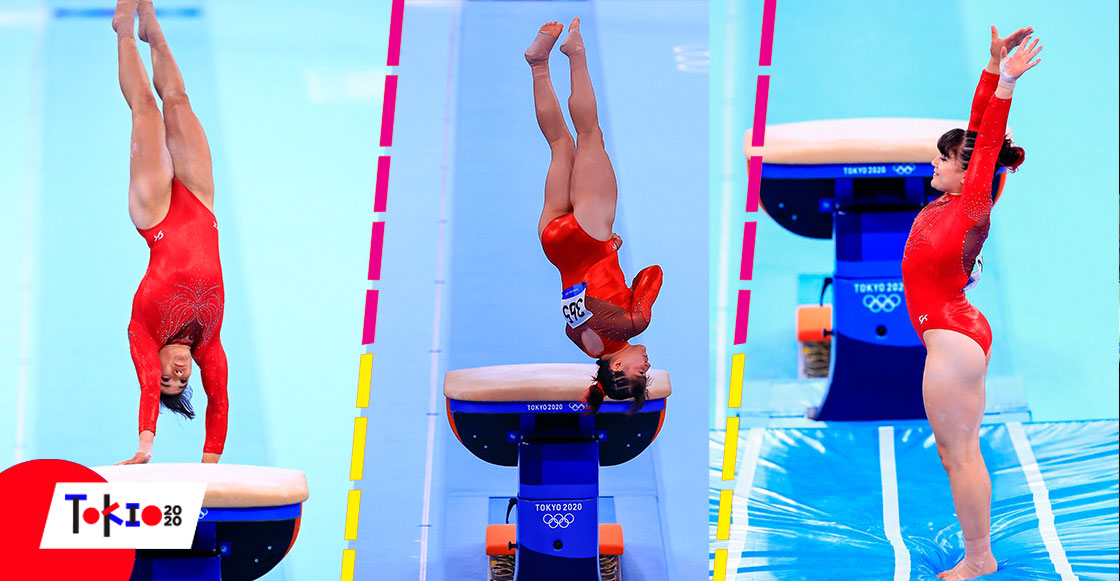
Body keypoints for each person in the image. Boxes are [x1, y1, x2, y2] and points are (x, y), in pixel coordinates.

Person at [901, 25, 1041, 581]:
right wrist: (990, 70)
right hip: (953, 329)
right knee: (953, 453)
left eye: (943, 160)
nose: (934, 165)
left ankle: (979, 558)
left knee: (959, 456)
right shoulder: (960, 196)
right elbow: (978, 135)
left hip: (953, 340)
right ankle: (978, 551)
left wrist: (1007, 85)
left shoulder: (972, 203)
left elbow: (984, 144)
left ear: (966, 173)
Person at [525, 18, 662, 414]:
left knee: (590, 135)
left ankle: (576, 53)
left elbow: (652, 273)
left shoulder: (634, 325)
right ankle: (538, 64)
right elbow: (584, 306)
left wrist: (637, 302)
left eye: (641, 373)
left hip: (589, 236)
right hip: (556, 243)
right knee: (559, 144)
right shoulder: (586, 344)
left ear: (618, 365)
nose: (648, 365)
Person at [112, 0, 228, 465]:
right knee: (178, 101)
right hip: (201, 203)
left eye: (168, 380)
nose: (177, 376)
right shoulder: (209, 341)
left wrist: (145, 446)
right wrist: (210, 468)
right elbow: (219, 402)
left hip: (156, 215)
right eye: (183, 382)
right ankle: (153, 30)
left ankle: (123, 27)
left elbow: (144, 388)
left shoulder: (143, 333)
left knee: (148, 111)